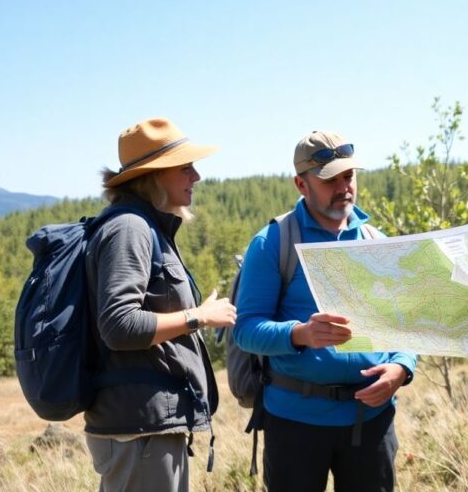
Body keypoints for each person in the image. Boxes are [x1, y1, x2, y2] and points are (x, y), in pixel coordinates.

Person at [233, 130, 417, 492]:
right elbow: (245, 329)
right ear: (301, 184)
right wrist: (299, 334)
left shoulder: (376, 243)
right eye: (330, 179)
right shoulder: (273, 242)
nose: (343, 186)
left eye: (348, 176)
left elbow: (405, 326)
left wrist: (401, 368)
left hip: (372, 422)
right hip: (295, 423)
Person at [84, 117, 237, 492]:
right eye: (185, 167)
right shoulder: (130, 229)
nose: (196, 177)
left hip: (147, 427)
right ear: (155, 175)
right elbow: (119, 326)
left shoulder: (145, 226)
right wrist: (197, 317)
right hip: (139, 429)